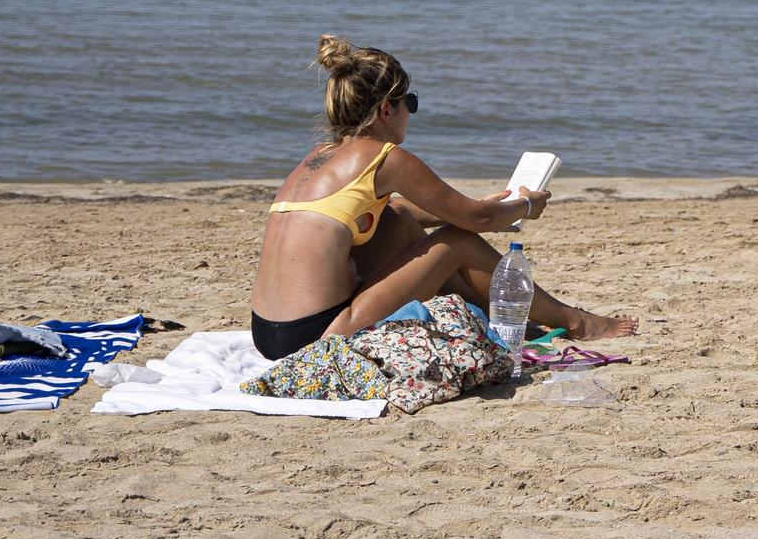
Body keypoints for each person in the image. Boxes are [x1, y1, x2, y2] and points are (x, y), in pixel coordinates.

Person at [249, 36, 638, 361]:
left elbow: (390, 211)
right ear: (387, 108)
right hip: (318, 338)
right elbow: (477, 222)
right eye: (410, 103)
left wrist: (475, 208)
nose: (411, 113)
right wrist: (526, 206)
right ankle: (577, 322)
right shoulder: (385, 157)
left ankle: (492, 315)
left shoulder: (319, 157)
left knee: (397, 217)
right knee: (459, 241)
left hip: (267, 335)